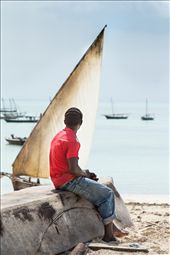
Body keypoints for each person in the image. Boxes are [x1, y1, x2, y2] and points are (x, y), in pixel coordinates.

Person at [50, 107, 128, 242]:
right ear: (81, 123)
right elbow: (73, 169)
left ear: (65, 121)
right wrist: (84, 175)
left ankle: (113, 227)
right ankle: (108, 236)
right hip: (67, 181)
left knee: (97, 191)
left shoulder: (58, 136)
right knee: (107, 194)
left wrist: (85, 173)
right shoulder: (73, 140)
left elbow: (68, 166)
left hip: (57, 179)